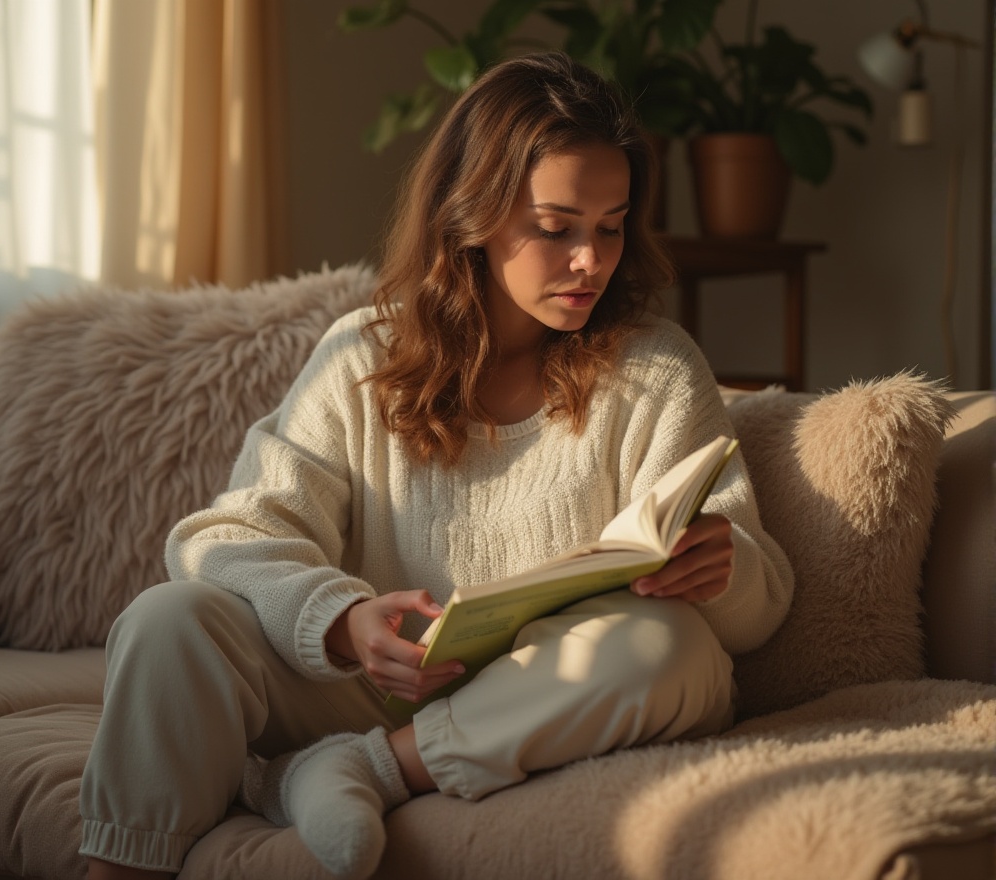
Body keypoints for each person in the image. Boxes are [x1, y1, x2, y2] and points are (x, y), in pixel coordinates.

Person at [78, 51, 794, 880]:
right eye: (556, 227)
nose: (590, 261)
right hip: (374, 683)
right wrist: (342, 622)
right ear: (474, 215)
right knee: (171, 619)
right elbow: (227, 535)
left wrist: (726, 567)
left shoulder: (657, 368)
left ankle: (368, 770)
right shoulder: (363, 355)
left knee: (672, 649)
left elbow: (755, 619)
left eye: (611, 225)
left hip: (547, 693)